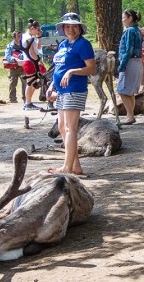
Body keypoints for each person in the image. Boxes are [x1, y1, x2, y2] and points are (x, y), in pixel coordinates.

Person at [48, 12, 96, 175]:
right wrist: (52, 85)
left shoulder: (83, 44)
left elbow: (91, 68)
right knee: (62, 127)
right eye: (67, 26)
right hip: (61, 90)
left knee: (70, 128)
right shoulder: (63, 45)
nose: (70, 29)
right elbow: (59, 67)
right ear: (63, 28)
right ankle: (75, 166)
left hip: (74, 89)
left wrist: (72, 71)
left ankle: (67, 168)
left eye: (74, 26)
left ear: (79, 28)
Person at [117, 9, 144, 125]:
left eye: (124, 18)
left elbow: (128, 49)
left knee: (122, 91)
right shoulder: (137, 30)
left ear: (130, 18)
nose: (122, 20)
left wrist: (122, 65)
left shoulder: (129, 31)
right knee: (130, 92)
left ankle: (130, 116)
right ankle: (130, 115)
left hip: (130, 62)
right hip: (138, 62)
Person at [21, 18, 46, 110]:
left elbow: (38, 47)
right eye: (37, 29)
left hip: (33, 61)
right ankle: (27, 103)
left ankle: (29, 102)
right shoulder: (28, 38)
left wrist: (39, 37)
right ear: (32, 28)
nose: (38, 31)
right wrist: (40, 62)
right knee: (30, 83)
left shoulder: (31, 37)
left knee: (35, 83)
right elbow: (32, 52)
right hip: (30, 62)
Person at [3, 30, 26, 103]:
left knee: (25, 82)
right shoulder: (9, 46)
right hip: (13, 67)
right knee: (12, 83)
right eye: (18, 36)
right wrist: (15, 59)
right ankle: (12, 99)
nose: (20, 37)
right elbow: (7, 56)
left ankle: (25, 98)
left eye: (20, 36)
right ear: (14, 37)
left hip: (23, 67)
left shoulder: (24, 45)